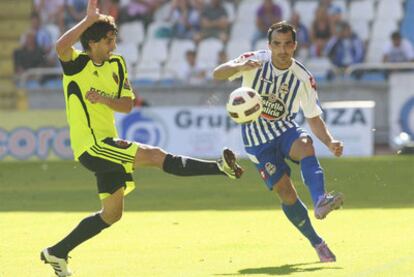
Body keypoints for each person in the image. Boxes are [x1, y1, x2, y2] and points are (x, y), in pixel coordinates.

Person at [40, 1, 243, 276]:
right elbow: (60, 47)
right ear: (94, 41)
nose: (114, 45)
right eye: (109, 40)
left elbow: (126, 105)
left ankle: (57, 252)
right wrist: (87, 21)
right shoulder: (77, 64)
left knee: (112, 214)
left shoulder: (118, 63)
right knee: (154, 155)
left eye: (114, 39)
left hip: (107, 143)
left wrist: (104, 98)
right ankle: (220, 167)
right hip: (92, 146)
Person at [213, 21, 344, 263]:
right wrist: (238, 66)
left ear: (294, 46)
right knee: (286, 192)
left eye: (287, 45)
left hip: (284, 129)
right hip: (256, 141)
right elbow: (217, 74)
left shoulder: (303, 77)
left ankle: (320, 200)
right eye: (277, 44)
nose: (282, 50)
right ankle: (317, 243)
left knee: (305, 143)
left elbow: (313, 117)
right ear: (269, 45)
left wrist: (330, 141)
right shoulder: (254, 61)